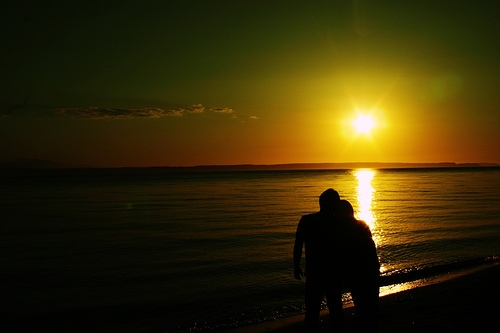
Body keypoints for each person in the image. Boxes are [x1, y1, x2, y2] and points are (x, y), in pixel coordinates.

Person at [293, 188, 342, 332]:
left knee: (312, 311)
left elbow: (298, 245)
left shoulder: (307, 221)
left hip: (315, 273)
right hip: (332, 273)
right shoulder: (338, 223)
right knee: (335, 309)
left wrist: (296, 266)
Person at [336, 199, 380, 332]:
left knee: (362, 306)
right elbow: (370, 249)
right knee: (371, 307)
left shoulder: (344, 230)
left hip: (359, 273)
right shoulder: (362, 225)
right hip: (370, 271)